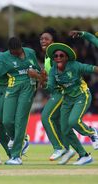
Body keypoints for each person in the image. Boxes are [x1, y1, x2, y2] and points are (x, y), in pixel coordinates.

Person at [41, 42, 98, 165]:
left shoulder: (74, 65)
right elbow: (50, 87)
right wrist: (42, 81)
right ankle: (84, 155)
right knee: (65, 130)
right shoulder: (53, 71)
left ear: (67, 58)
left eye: (61, 56)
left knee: (73, 121)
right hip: (67, 99)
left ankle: (92, 132)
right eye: (55, 56)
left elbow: (91, 68)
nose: (58, 58)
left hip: (82, 95)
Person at [0, 37, 41, 165]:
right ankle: (21, 139)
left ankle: (16, 156)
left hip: (28, 87)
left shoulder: (30, 52)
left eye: (15, 51)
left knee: (20, 120)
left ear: (20, 48)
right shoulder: (5, 56)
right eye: (11, 51)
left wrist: (36, 74)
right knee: (6, 120)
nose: (13, 53)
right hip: (11, 87)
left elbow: (38, 70)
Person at [39, 27, 71, 161]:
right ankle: (68, 149)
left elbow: (60, 76)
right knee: (56, 121)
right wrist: (43, 77)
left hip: (61, 92)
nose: (43, 41)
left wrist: (41, 78)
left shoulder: (54, 56)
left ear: (53, 41)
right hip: (57, 91)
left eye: (46, 39)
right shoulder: (47, 56)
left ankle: (58, 148)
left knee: (45, 117)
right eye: (41, 39)